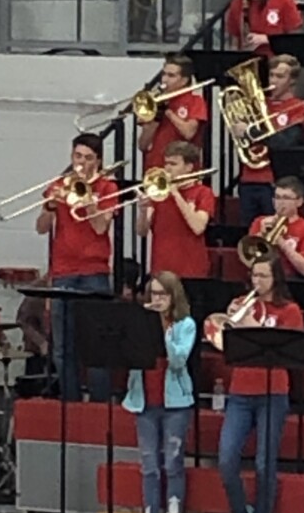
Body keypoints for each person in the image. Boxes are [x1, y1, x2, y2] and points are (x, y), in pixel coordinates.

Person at [217, 255, 304, 513]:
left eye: (264, 276)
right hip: (240, 391)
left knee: (265, 464)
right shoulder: (241, 304)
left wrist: (251, 326)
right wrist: (230, 326)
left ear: (276, 278)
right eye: (254, 276)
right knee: (226, 459)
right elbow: (225, 345)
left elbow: (292, 350)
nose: (257, 282)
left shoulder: (289, 311)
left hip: (273, 392)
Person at [35, 133, 118, 402]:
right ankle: (70, 405)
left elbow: (101, 227)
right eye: (77, 156)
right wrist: (50, 206)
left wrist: (89, 201)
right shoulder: (59, 185)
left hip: (95, 273)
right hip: (63, 272)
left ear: (98, 161)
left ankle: (98, 406)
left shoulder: (107, 187)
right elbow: (41, 228)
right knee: (62, 348)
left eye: (88, 158)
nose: (81, 163)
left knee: (96, 346)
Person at [122, 271, 196, 513]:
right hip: (145, 402)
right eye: (153, 294)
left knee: (173, 464)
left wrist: (162, 331)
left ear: (173, 296)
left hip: (175, 404)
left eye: (163, 294)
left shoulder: (185, 325)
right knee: (149, 466)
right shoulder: (138, 323)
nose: (157, 299)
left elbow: (178, 360)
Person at [230, 54, 304, 225]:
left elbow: (285, 142)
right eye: (272, 75)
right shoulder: (257, 104)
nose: (274, 80)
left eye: (280, 76)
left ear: (292, 80)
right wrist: (238, 128)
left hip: (274, 181)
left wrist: (251, 131)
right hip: (248, 178)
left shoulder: (299, 107)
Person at [136, 141, 215, 279]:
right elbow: (141, 231)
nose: (167, 168)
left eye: (173, 164)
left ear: (189, 167)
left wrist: (176, 193)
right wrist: (142, 211)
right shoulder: (158, 193)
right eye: (166, 163)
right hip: (161, 268)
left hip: (191, 270)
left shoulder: (203, 193)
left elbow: (198, 227)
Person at [137, 53, 208, 169]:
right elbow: (143, 145)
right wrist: (155, 119)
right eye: (164, 74)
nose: (164, 80)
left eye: (171, 76)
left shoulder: (195, 101)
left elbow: (188, 133)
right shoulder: (156, 102)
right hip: (155, 167)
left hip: (182, 169)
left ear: (184, 80)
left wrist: (168, 112)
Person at [246, 176, 304, 280]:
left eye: (286, 198)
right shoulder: (260, 222)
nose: (281, 202)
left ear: (299, 202)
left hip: (291, 280)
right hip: (263, 278)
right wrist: (261, 236)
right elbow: (248, 260)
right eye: (277, 197)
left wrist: (281, 243)